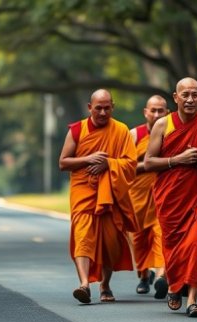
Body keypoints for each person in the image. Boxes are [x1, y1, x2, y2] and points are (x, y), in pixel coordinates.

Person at [144, 77, 197, 317]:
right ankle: (174, 286)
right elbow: (149, 162)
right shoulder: (163, 125)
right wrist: (177, 160)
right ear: (176, 97)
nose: (191, 99)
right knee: (174, 249)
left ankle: (192, 299)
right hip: (171, 198)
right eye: (186, 95)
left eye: (195, 94)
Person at [59, 89, 139, 304]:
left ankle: (105, 284)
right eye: (98, 108)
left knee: (110, 243)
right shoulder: (78, 130)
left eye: (107, 108)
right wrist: (90, 159)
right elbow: (63, 162)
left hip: (111, 194)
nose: (103, 112)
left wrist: (109, 163)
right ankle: (84, 284)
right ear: (89, 108)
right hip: (83, 190)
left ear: (113, 106)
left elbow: (131, 165)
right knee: (83, 236)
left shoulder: (121, 131)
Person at [128, 95, 168, 299]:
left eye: (161, 110)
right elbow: (125, 168)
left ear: (167, 113)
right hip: (137, 194)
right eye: (153, 110)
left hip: (163, 194)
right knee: (139, 238)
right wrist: (150, 164)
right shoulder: (134, 135)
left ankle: (162, 275)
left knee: (162, 234)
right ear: (146, 112)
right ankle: (144, 276)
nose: (157, 114)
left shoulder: (171, 133)